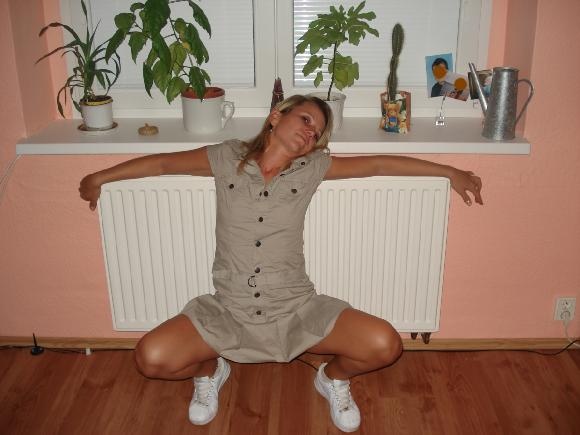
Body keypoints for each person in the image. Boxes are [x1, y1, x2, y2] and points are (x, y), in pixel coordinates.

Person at [79, 95, 483, 432]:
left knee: (385, 345)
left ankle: (332, 379)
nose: (310, 132)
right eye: (305, 120)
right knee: (150, 358)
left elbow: (378, 164)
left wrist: (449, 172)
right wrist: (99, 177)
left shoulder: (313, 169)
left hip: (294, 308)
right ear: (276, 116)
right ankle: (208, 371)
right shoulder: (226, 157)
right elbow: (163, 164)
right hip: (230, 309)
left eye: (317, 132)